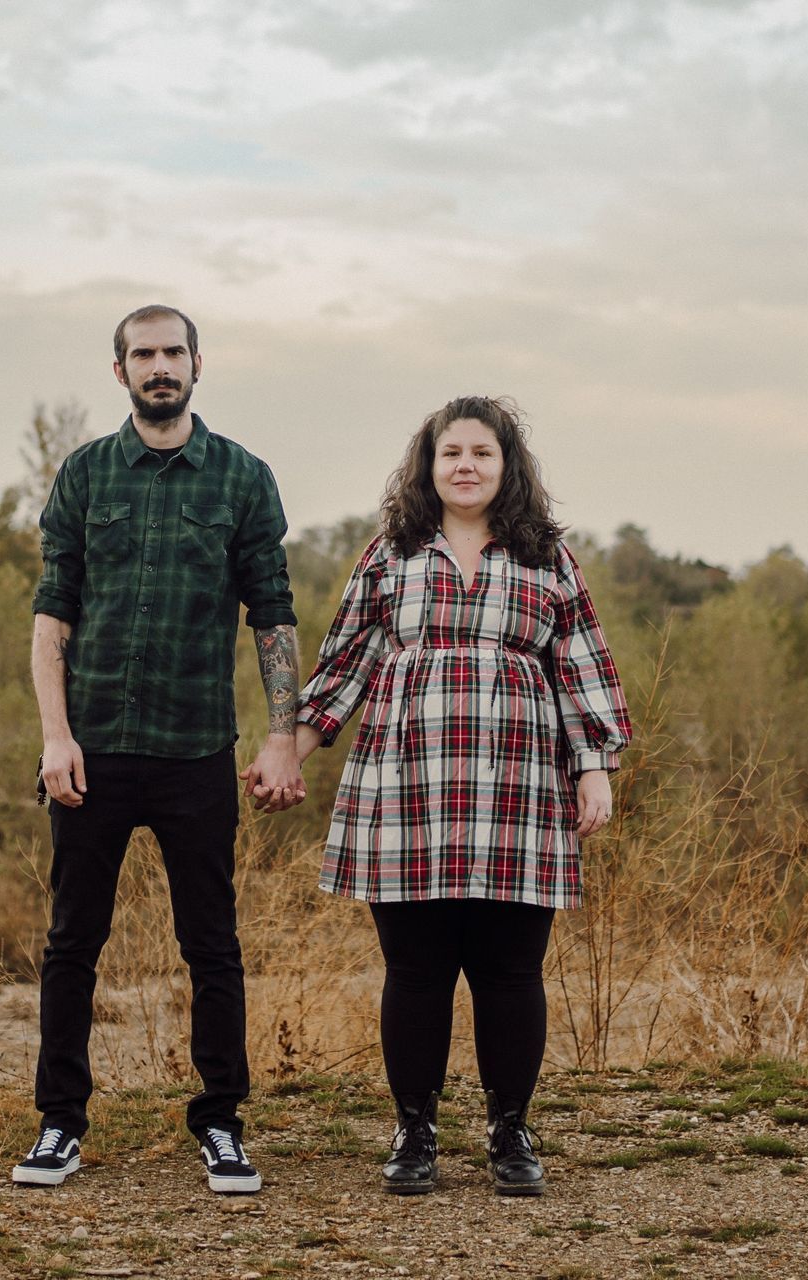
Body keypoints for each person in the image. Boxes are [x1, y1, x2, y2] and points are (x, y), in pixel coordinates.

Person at [282, 395, 629, 1196]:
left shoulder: (547, 558)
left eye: (482, 452)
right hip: (407, 788)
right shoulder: (391, 554)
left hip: (517, 788)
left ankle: (511, 1132)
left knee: (512, 970)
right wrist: (287, 755)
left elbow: (580, 666)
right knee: (416, 970)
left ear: (507, 467)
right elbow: (344, 667)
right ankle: (415, 1133)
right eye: (450, 453)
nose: (465, 465)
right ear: (428, 467)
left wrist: (594, 766)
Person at [13, 304, 304, 1195]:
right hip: (93, 752)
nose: (159, 367)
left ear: (198, 364)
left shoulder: (243, 479)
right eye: (143, 355)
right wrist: (55, 736)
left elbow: (274, 614)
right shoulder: (88, 474)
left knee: (211, 945)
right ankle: (60, 1125)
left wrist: (285, 736)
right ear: (121, 373)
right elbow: (52, 610)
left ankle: (221, 1122)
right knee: (73, 943)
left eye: (173, 352)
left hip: (195, 753)